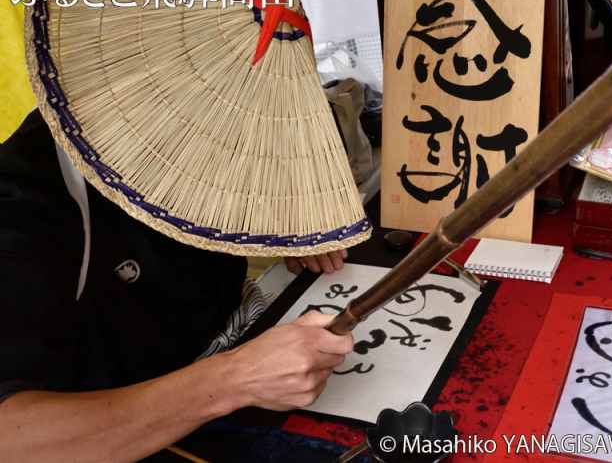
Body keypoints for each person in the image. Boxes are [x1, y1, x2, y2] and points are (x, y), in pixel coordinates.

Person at [0, 110, 355, 462]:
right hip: (124, 431)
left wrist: (287, 217)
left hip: (233, 344)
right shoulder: (23, 204)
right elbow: (11, 437)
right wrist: (235, 379)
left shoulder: (212, 129)